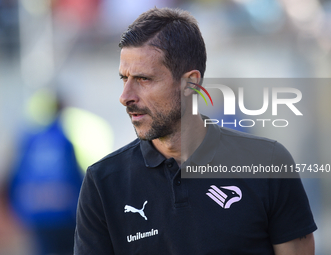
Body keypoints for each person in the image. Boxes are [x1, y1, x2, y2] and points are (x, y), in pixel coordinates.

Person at [74, 7, 317, 254]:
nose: (125, 96)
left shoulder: (268, 163)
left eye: (144, 79)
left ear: (191, 83)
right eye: (124, 79)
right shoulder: (103, 183)